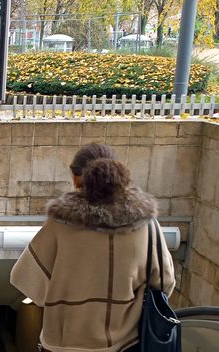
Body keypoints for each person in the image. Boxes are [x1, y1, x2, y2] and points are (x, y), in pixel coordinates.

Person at [10, 143, 175, 352]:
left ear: (77, 178)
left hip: (63, 344)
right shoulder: (147, 226)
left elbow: (25, 279)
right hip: (126, 345)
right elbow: (164, 283)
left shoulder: (60, 225)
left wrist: (64, 298)